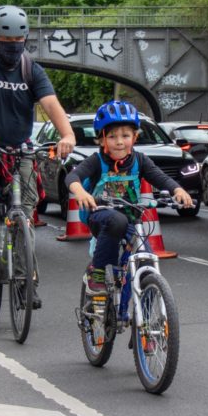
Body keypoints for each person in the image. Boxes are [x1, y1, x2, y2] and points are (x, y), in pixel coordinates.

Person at [0, 5, 76, 262]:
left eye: (18, 40)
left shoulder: (31, 70)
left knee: (28, 202)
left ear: (25, 38)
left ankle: (24, 277)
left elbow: (51, 104)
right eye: (6, 39)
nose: (13, 45)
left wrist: (68, 135)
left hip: (20, 149)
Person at [66, 100, 193, 298]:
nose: (119, 142)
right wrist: (80, 192)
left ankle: (150, 317)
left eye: (125, 135)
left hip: (131, 218)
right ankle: (97, 274)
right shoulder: (96, 161)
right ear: (101, 140)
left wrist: (177, 190)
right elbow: (72, 177)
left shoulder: (140, 160)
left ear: (134, 137)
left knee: (147, 264)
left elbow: (160, 177)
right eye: (112, 136)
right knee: (117, 220)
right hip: (100, 216)